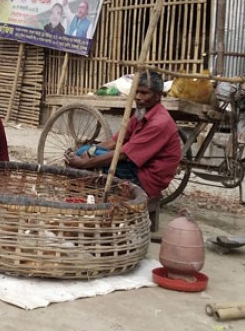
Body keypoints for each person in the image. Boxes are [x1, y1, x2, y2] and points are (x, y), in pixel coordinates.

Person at [64, 72, 181, 227]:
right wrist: (89, 150)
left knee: (86, 162)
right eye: (136, 92)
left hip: (147, 177)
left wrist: (84, 163)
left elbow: (125, 154)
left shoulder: (159, 122)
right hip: (135, 165)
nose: (138, 97)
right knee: (83, 151)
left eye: (144, 93)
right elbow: (115, 141)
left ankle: (84, 209)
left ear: (158, 95)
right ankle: (80, 205)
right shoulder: (140, 113)